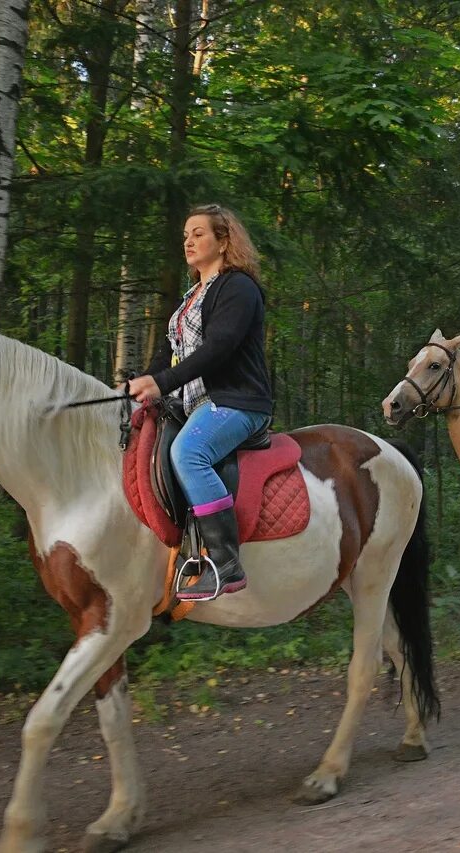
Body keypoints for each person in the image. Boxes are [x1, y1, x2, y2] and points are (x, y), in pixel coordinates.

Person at [128, 204, 273, 600]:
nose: (188, 242)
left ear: (224, 241)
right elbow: (169, 355)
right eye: (185, 236)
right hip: (195, 405)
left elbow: (219, 349)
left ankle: (226, 565)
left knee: (188, 452)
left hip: (238, 401)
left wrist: (162, 382)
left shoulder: (238, 288)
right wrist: (139, 385)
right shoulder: (192, 296)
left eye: (199, 234)